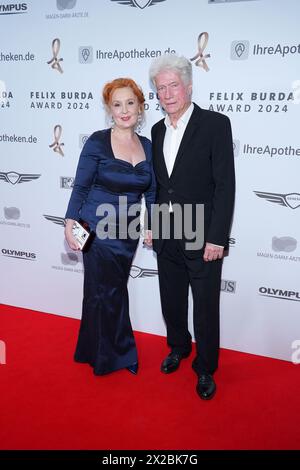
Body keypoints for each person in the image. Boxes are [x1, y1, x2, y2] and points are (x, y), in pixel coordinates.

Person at [149, 54, 235, 399]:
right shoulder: (155, 130)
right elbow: (159, 185)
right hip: (166, 233)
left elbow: (225, 185)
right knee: (170, 299)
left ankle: (205, 367)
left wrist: (216, 236)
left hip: (202, 234)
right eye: (161, 88)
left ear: (188, 86)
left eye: (173, 85)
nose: (168, 93)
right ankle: (179, 347)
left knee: (205, 304)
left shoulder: (215, 124)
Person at [64, 78, 155, 376]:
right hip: (96, 228)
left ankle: (92, 348)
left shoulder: (148, 146)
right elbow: (80, 187)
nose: (124, 110)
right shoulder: (97, 142)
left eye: (130, 103)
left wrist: (153, 224)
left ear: (140, 107)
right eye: (117, 104)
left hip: (127, 233)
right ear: (109, 109)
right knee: (105, 290)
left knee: (105, 290)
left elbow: (152, 191)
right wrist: (69, 222)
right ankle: (118, 353)